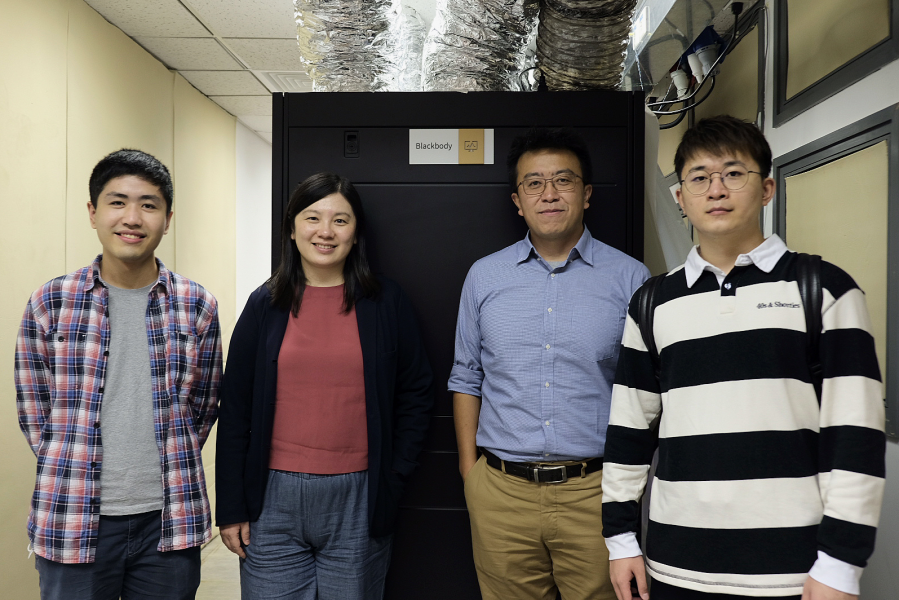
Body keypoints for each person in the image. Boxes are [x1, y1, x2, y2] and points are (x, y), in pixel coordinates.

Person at [602, 115, 886, 600]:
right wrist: (620, 540)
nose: (716, 189)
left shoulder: (823, 290)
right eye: (699, 178)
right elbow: (629, 432)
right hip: (676, 566)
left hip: (792, 571)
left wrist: (840, 564)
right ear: (680, 199)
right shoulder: (652, 303)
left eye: (734, 173)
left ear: (767, 188)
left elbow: (855, 438)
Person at [449, 128, 650, 600]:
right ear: (518, 200)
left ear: (586, 194)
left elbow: (646, 391)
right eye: (534, 184)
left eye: (563, 180)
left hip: (596, 493)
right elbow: (466, 376)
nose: (549, 194)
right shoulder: (485, 276)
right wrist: (469, 474)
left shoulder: (630, 278)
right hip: (501, 494)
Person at [15, 149, 222, 600]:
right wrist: (71, 461)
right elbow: (35, 413)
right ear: (93, 212)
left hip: (168, 520)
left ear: (167, 219)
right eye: (117, 202)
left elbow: (203, 408)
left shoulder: (196, 305)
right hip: (72, 516)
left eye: (149, 205)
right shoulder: (51, 302)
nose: (132, 217)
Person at [215, 172, 433, 600]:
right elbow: (236, 407)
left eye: (341, 220)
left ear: (356, 234)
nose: (325, 232)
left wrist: (394, 474)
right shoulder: (265, 304)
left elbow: (416, 393)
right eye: (312, 217)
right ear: (292, 229)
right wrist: (232, 507)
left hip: (360, 498)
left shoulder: (387, 302)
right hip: (270, 500)